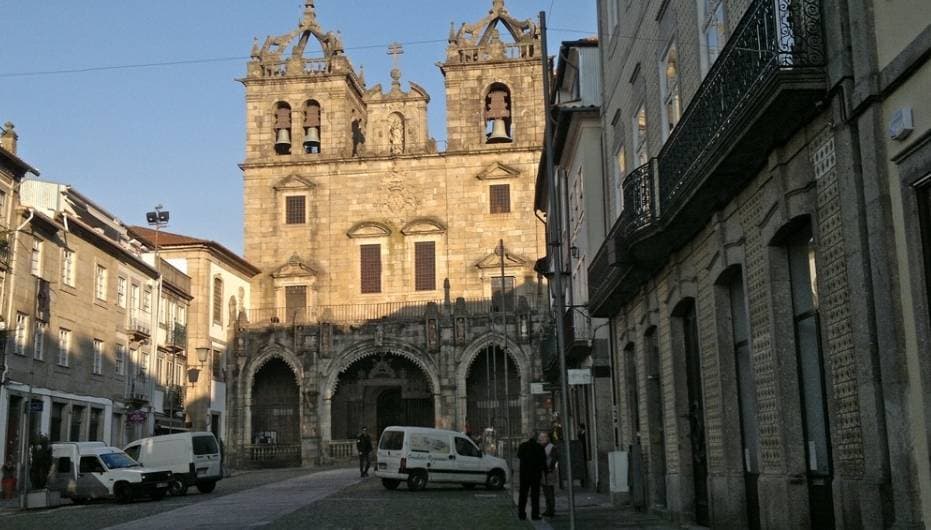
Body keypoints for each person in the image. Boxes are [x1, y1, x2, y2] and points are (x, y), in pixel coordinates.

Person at [516, 431, 546, 521]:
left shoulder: (522, 446)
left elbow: (519, 456)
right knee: (535, 495)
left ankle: (521, 513)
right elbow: (543, 461)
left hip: (524, 474)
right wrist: (544, 471)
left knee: (523, 495)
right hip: (535, 475)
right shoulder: (539, 447)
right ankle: (535, 514)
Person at [540, 432, 558, 517]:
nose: (540, 440)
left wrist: (549, 468)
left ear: (547, 438)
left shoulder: (551, 447)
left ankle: (551, 510)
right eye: (540, 438)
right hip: (543, 473)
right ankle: (548, 509)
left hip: (549, 473)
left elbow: (553, 459)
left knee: (549, 492)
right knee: (546, 492)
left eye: (542, 438)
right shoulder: (542, 447)